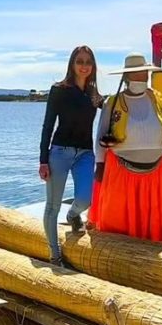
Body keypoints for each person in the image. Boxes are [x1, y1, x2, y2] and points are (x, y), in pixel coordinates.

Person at [91, 53, 162, 243]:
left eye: (144, 73)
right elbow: (101, 134)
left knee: (155, 223)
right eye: (136, 74)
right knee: (119, 223)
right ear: (126, 77)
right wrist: (100, 164)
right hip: (121, 171)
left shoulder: (157, 99)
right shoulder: (113, 102)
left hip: (157, 173)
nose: (141, 77)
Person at [38, 45, 102, 266]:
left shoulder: (94, 95)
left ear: (93, 66)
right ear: (72, 64)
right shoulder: (59, 90)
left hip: (85, 153)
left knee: (86, 199)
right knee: (52, 206)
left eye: (88, 62)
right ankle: (54, 254)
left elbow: (116, 110)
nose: (84, 66)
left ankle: (73, 215)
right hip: (59, 153)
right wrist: (43, 160)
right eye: (80, 61)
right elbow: (48, 125)